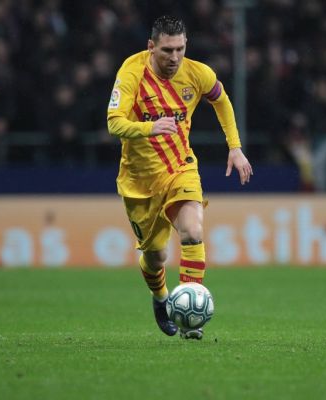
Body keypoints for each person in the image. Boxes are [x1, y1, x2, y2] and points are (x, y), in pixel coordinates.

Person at [106, 15, 252, 340]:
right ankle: (160, 298)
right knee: (155, 256)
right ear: (151, 47)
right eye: (167, 50)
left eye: (180, 49)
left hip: (180, 167)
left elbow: (222, 100)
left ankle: (191, 319)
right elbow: (113, 122)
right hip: (139, 181)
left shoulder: (197, 73)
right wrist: (148, 127)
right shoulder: (131, 72)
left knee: (193, 230)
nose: (174, 58)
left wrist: (235, 147)